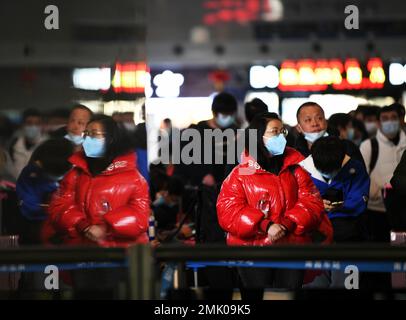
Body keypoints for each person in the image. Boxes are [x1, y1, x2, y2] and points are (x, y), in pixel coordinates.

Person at [217, 112, 327, 299]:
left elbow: (312, 201)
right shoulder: (241, 173)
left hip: (291, 248)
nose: (281, 136)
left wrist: (287, 223)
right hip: (253, 252)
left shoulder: (296, 167)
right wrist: (264, 225)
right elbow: (228, 209)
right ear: (258, 137)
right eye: (274, 132)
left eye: (282, 131)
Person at [48, 114, 150, 247]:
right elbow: (58, 206)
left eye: (94, 134)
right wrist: (82, 225)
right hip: (81, 253)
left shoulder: (133, 177)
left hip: (118, 255)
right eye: (86, 134)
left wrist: (105, 228)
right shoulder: (76, 173)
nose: (87, 139)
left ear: (111, 139)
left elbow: (140, 216)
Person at [301, 136, 369, 243]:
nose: (328, 173)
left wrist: (340, 206)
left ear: (341, 160)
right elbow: (298, 202)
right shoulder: (302, 171)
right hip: (313, 230)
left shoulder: (354, 168)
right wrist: (318, 205)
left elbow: (359, 200)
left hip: (347, 229)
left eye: (333, 170)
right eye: (323, 170)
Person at [360, 104, 406, 242]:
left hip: (403, 212)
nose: (390, 122)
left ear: (401, 120)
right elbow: (362, 178)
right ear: (379, 123)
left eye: (393, 118)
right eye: (385, 119)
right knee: (380, 249)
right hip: (376, 211)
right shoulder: (368, 146)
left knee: (400, 252)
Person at [16, 139, 74, 245]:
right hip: (35, 229)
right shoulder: (31, 173)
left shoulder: (72, 174)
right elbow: (28, 206)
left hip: (66, 230)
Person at [295, 102, 364, 164]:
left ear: (326, 122)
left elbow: (360, 175)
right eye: (308, 120)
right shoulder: (295, 155)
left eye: (319, 118)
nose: (315, 123)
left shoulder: (346, 148)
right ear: (299, 128)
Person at [9, 109, 47, 179]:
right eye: (29, 123)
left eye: (37, 123)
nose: (33, 126)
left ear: (42, 125)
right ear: (22, 125)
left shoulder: (47, 144)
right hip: (16, 185)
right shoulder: (14, 144)